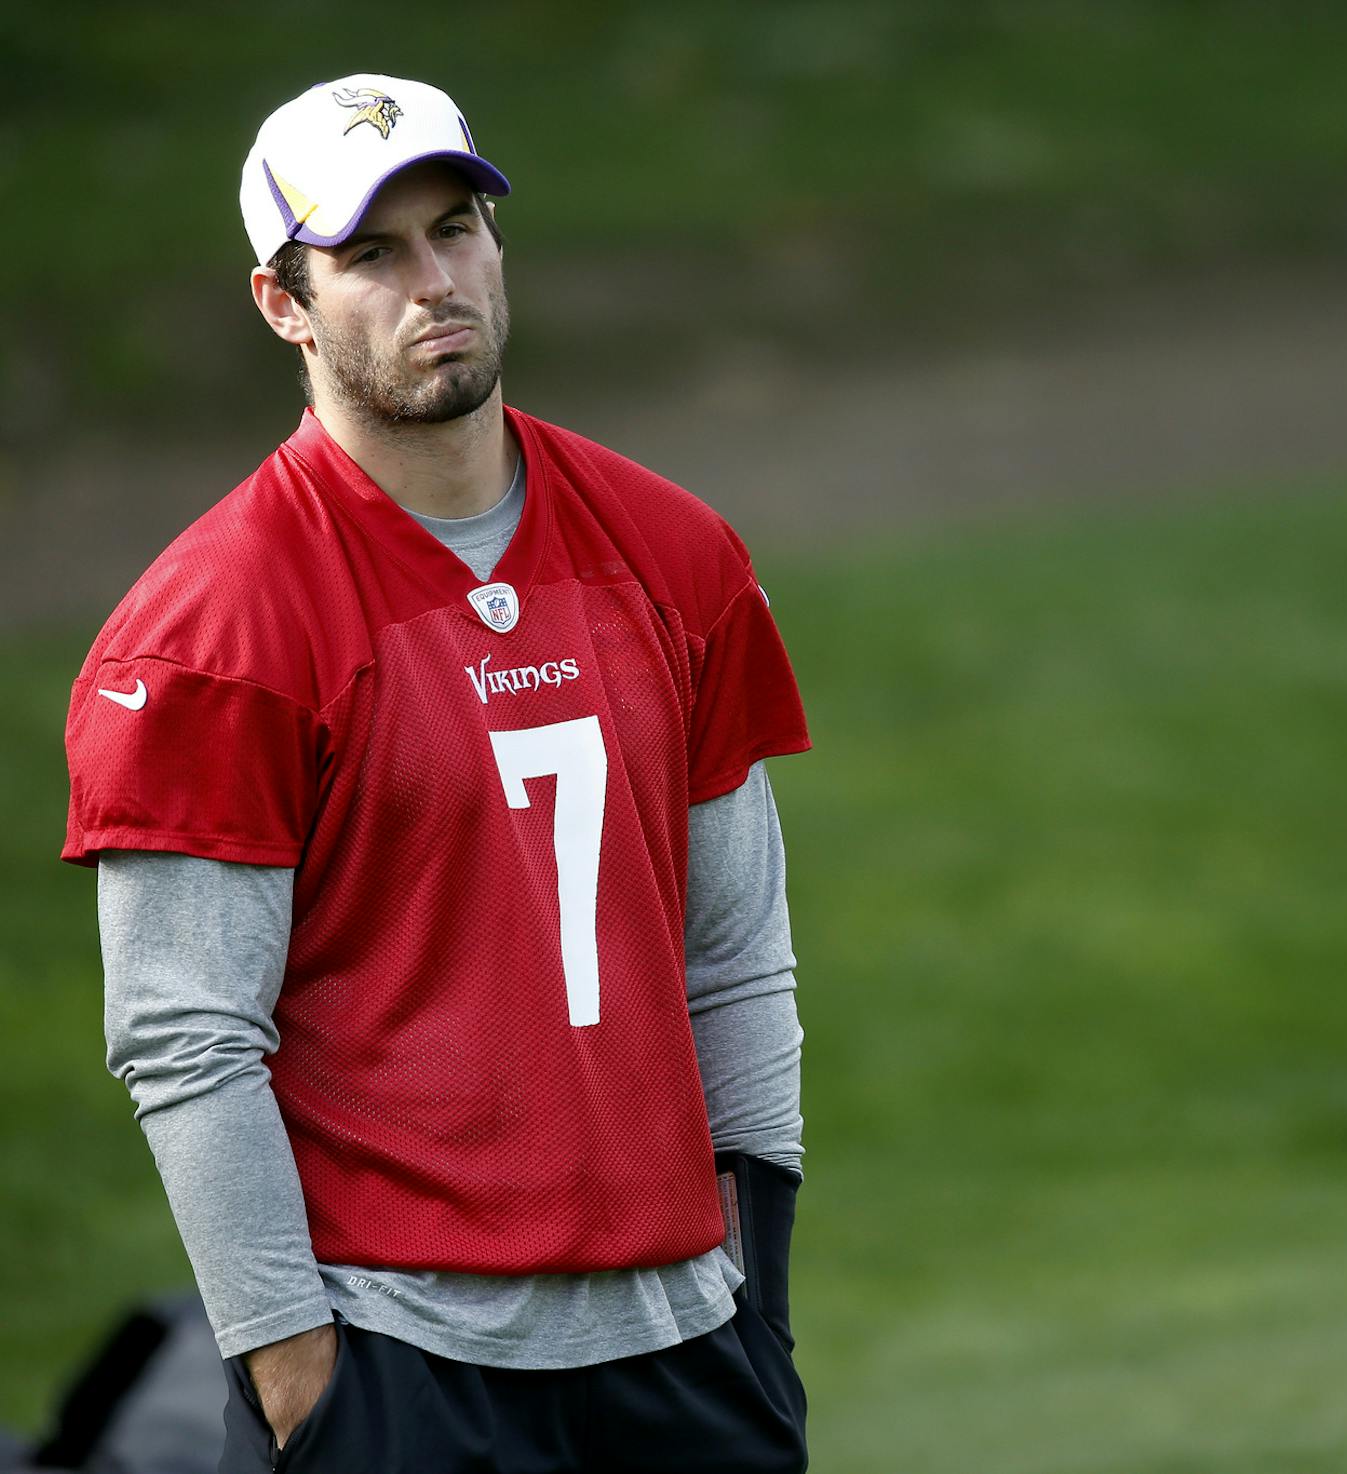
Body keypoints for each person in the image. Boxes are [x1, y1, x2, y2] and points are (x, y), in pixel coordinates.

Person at [62, 74, 813, 1473]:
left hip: (686, 1349)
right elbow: (188, 1037)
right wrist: (299, 1372)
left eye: (456, 229)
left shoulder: (676, 552)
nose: (433, 281)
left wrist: (755, 1293)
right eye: (369, 255)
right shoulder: (208, 632)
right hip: (399, 1364)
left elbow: (736, 951)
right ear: (282, 304)